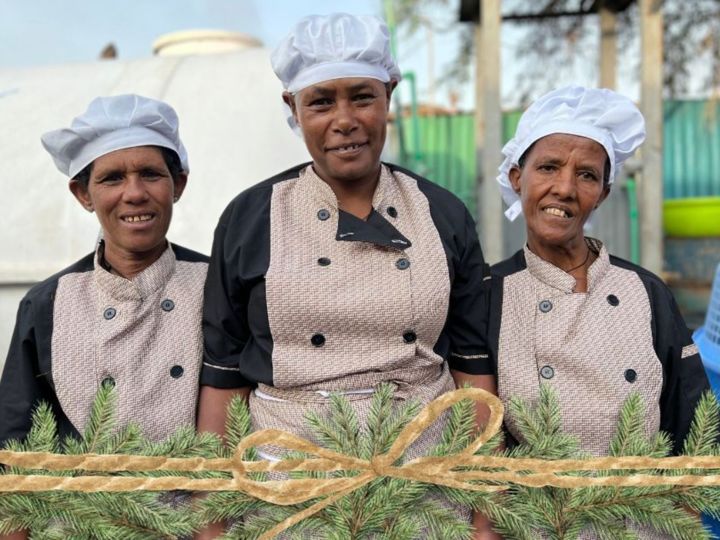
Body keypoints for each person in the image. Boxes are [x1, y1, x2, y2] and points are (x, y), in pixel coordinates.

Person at [196, 12, 498, 539]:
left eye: (362, 97)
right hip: (287, 492)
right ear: (292, 108)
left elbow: (474, 371)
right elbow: (223, 376)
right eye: (321, 101)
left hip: (424, 490)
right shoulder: (250, 217)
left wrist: (483, 518)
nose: (344, 119)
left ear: (389, 96)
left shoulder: (441, 213)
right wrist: (211, 525)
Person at [487, 86, 710, 537]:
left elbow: (694, 425)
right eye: (548, 167)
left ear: (603, 193)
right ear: (516, 177)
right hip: (538, 526)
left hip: (642, 524)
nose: (565, 188)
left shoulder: (645, 291)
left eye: (586, 175)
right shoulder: (487, 295)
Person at [0, 94, 209, 449]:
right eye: (112, 178)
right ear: (83, 194)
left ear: (178, 185)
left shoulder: (217, 285)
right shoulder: (47, 303)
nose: (134, 193)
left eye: (150, 174)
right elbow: (14, 439)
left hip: (204, 499)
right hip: (78, 502)